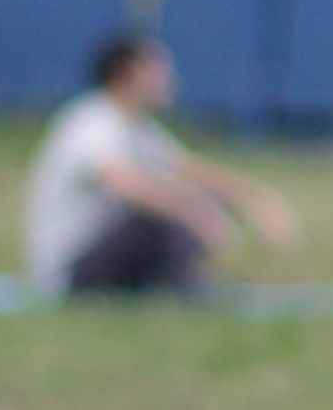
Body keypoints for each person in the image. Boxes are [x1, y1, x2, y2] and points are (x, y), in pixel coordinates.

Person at [25, 32, 301, 297]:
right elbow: (126, 184)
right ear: (126, 73)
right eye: (158, 68)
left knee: (173, 208)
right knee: (159, 218)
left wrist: (255, 200)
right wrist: (196, 213)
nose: (169, 77)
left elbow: (193, 172)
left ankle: (179, 287)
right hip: (71, 272)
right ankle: (184, 288)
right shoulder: (93, 121)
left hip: (104, 261)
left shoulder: (139, 128)